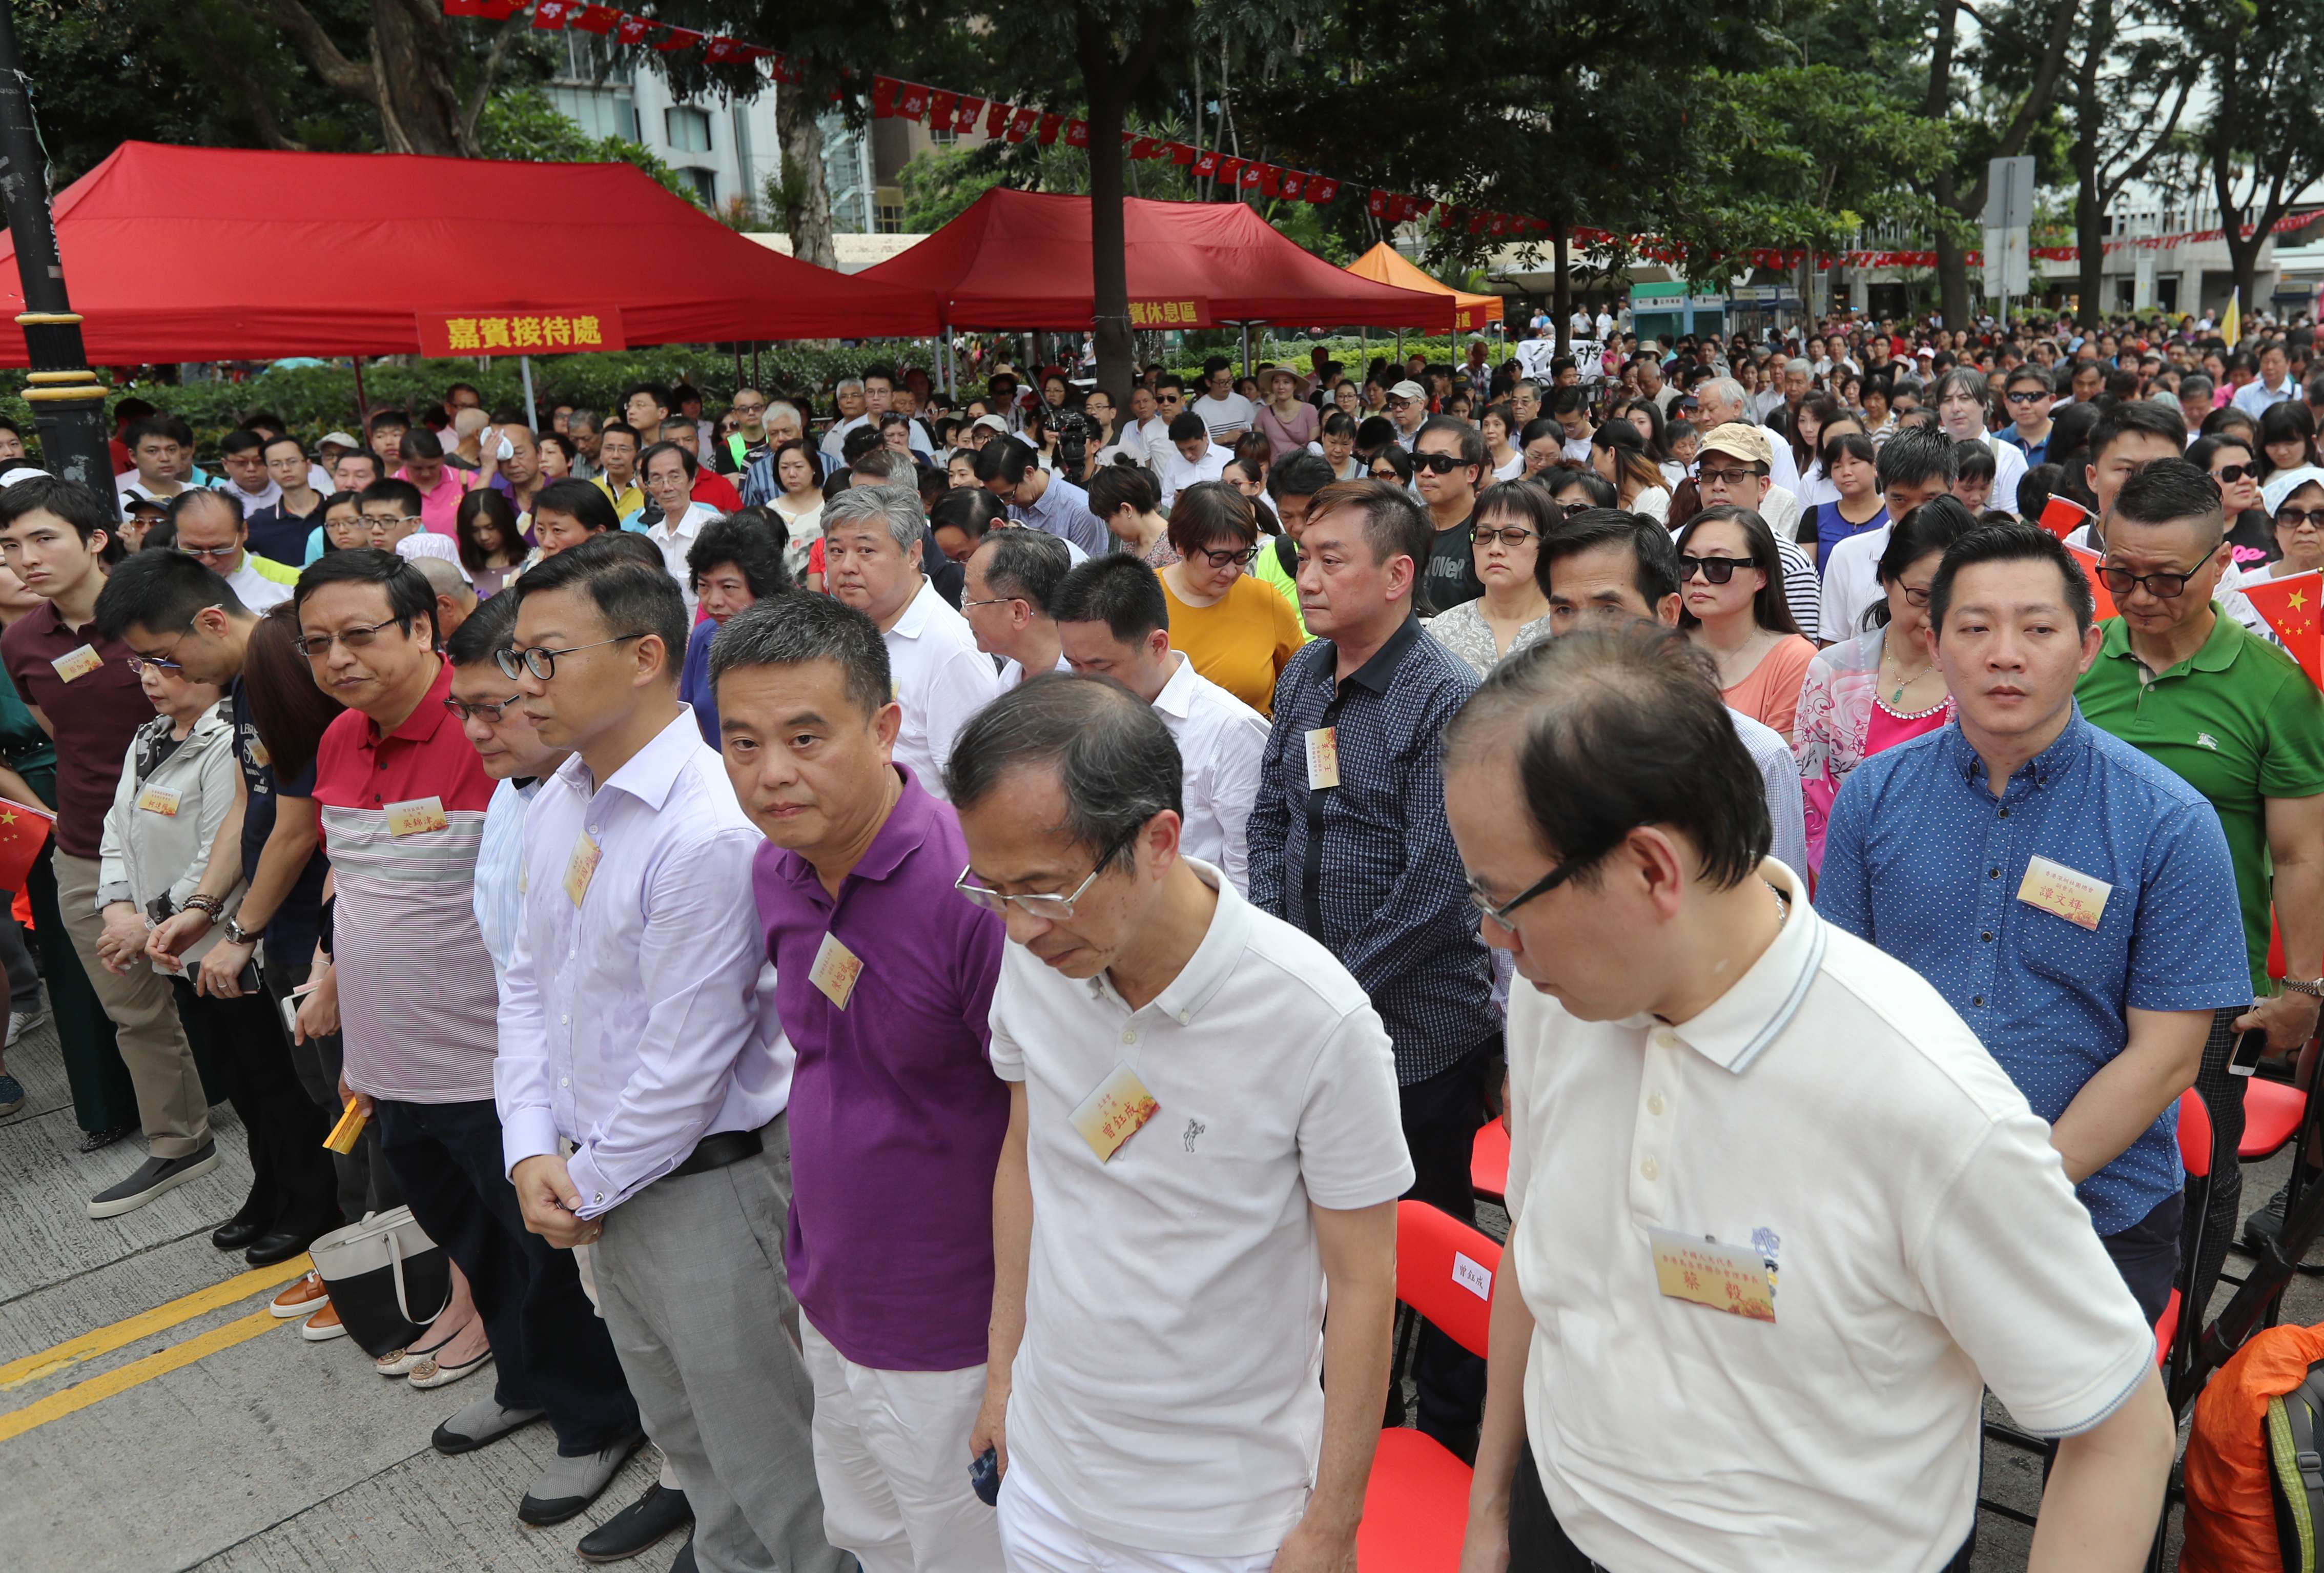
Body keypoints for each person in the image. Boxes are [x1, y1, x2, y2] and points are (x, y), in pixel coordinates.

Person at [1445, 624, 2175, 1573]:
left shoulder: (1922, 1099)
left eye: (1507, 902)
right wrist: (1492, 1507)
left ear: (1653, 868)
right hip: (1567, 1518)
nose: (1495, 940)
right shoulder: (1569, 999)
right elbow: (1537, 1264)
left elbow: (2121, 1426)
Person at [948, 676, 1410, 1573]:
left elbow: (1363, 1281)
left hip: (1223, 1517)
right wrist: (1003, 1374)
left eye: (1045, 887)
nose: (1018, 924)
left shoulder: (1316, 1017)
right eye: (992, 889)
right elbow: (1025, 1155)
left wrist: (1331, 1521)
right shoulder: (1036, 956)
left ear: (1159, 840)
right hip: (1048, 1477)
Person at [489, 541, 835, 1573]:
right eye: (519, 657)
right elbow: (524, 979)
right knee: (682, 1432)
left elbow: (686, 1066)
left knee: (769, 1451)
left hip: (700, 1189)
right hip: (597, 1178)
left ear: (645, 655)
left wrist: (575, 1181)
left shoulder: (705, 826)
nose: (522, 685)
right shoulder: (564, 794)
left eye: (545, 657)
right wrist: (528, 1149)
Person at [1820, 519, 2250, 1327]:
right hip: (1895, 1193)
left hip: (2091, 1207)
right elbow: (1838, 1002)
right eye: (1974, 628)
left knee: (2095, 1438)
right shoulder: (1872, 796)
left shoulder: (2166, 822)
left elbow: (2164, 1059)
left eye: (2037, 629)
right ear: (1933, 641)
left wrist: (2008, 1188)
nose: (2004, 654)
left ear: (2086, 648)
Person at [297, 548, 644, 1523]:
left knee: (537, 1253)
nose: (339, 657)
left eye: (361, 633)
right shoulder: (337, 741)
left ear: (423, 629)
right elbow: (354, 885)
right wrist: (330, 977)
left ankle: (596, 1415)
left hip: (489, 1067)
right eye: (318, 641)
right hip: (389, 1057)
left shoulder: (511, 742)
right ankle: (528, 1380)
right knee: (471, 1240)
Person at [707, 595, 1007, 1573]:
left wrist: (1012, 1354)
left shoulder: (976, 894)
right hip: (835, 1291)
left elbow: (1053, 1128)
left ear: (884, 728)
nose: (771, 772)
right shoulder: (779, 868)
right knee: (871, 1537)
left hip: (953, 1325)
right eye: (742, 742)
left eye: (805, 736)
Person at [1245, 478, 1494, 1453]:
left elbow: (1441, 881)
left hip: (1418, 1027)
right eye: (1302, 556)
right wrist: (1276, 952)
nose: (1305, 575)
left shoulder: (1444, 696)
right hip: (1306, 1005)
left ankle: (1452, 1433)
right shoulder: (1305, 674)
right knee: (1326, 1235)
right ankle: (1343, 1420)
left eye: (1329, 558)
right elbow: (1273, 816)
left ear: (1399, 575)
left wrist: (1332, 989)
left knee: (1424, 1237)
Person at [2072, 461, 2324, 1251]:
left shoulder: (2273, 689)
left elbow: (2299, 852)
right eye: (2121, 575)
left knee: (2197, 1168)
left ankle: (2181, 1368)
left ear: (2220, 563)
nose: (2140, 599)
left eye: (2164, 580)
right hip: (2070, 961)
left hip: (2207, 984)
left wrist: (2302, 991)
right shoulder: (2073, 660)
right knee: (2069, 1159)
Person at [93, 554, 341, 1264]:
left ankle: (332, 1221)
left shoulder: (283, 667)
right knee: (275, 1079)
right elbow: (248, 802)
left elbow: (295, 823)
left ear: (210, 621)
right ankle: (290, 1199)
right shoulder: (241, 683)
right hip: (267, 914)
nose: (154, 674)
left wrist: (239, 928)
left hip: (306, 913)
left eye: (163, 656)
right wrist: (204, 907)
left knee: (318, 1087)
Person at [0, 477, 216, 1185]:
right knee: (133, 1010)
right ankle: (178, 1141)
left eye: (42, 538)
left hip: (197, 838)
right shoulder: (22, 640)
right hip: (89, 845)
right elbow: (59, 729)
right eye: (9, 546)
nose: (26, 558)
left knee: (231, 991)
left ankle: (282, 1132)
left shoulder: (156, 609)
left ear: (95, 539)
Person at [1535, 505, 1812, 884]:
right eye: (1564, 609)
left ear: (1667, 612)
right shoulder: (1527, 746)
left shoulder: (1755, 758)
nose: (1582, 631)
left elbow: (1782, 912)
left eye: (1608, 609)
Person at [1052, 555, 1268, 894]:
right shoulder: (1080, 714)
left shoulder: (1231, 732)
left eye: (1099, 666)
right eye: (1073, 664)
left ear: (1157, 645)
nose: (1085, 682)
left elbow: (1251, 879)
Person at [1795, 498, 1980, 873]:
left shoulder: (1979, 679)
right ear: (1885, 578)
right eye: (1920, 596)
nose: (1935, 615)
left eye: (1955, 601)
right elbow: (1809, 792)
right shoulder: (1832, 671)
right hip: (1838, 875)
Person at [821, 485, 997, 802]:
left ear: (913, 554)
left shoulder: (951, 648)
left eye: (865, 551)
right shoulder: (838, 628)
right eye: (836, 551)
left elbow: (976, 789)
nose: (846, 566)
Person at [1157, 484, 1304, 718]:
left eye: (1242, 556)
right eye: (1219, 558)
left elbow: (1303, 689)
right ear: (1181, 546)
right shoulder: (1143, 598)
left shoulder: (1266, 601)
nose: (1231, 571)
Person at [1676, 506, 1816, 742]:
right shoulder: (1663, 644)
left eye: (1718, 566)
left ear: (1760, 576)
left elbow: (1776, 768)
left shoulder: (1794, 659)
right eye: (1688, 564)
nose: (1698, 579)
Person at [1819, 425, 1960, 639]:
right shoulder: (1847, 556)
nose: (1916, 512)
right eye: (1900, 500)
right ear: (1882, 491)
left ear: (1953, 487)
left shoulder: (1977, 559)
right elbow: (1833, 645)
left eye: (1930, 500)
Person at [1689, 424, 1821, 639]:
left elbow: (1802, 656)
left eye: (1733, 475)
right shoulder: (1680, 550)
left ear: (1763, 486)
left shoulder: (1789, 564)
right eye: (1708, 474)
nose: (1718, 485)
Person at [678, 512, 791, 748]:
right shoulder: (702, 637)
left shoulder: (793, 641)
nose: (714, 601)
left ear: (760, 584)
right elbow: (688, 714)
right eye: (703, 586)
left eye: (729, 587)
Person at [1422, 479, 1556, 677]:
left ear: (1546, 543)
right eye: (1484, 535)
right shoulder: (1443, 629)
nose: (1494, 549)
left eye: (1512, 536)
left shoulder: (1565, 627)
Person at [963, 526, 1072, 688]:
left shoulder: (1079, 690)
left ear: (1018, 613)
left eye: (971, 601)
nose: (964, 613)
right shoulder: (1014, 674)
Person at [623, 441, 720, 617]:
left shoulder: (716, 528)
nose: (667, 487)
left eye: (675, 477)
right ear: (648, 486)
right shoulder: (652, 537)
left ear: (691, 480)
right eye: (657, 479)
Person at [975, 438, 1110, 558]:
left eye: (1009, 495)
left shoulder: (1081, 511)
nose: (1006, 503)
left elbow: (1091, 577)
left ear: (1029, 473)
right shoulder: (1006, 501)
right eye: (999, 497)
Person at [1410, 416, 1488, 614]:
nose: (1426, 472)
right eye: (1419, 461)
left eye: (1441, 463)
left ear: (1471, 473)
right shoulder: (1404, 525)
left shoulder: (1490, 533)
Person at [168, 489, 295, 611]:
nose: (207, 561)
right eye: (193, 550)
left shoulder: (290, 584)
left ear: (244, 531)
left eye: (220, 549)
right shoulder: (161, 585)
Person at [1811, 430, 1888, 571]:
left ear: (1875, 467)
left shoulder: (1893, 514)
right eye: (1837, 466)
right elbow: (1807, 573)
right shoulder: (1815, 516)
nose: (1846, 472)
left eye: (1854, 463)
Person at [248, 434, 324, 565]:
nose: (286, 469)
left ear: (309, 465)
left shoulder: (337, 509)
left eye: (292, 461)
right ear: (268, 472)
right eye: (276, 464)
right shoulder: (260, 522)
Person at [1086, 463, 1175, 568]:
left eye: (1108, 520)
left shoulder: (1173, 547)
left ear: (1127, 509)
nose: (1110, 528)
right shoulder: (1129, 544)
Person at [454, 489, 524, 600]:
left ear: (506, 523)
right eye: (475, 530)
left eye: (491, 528)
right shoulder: (460, 568)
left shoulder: (531, 561)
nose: (484, 537)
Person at [1156, 413, 1231, 509]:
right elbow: (1165, 501)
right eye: (1181, 450)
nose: (1188, 455)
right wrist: (1176, 500)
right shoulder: (1173, 462)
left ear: (1205, 436)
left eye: (1192, 448)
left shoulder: (1227, 459)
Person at [1253, 365, 1320, 461]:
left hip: (1303, 469)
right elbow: (1259, 450)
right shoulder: (1262, 414)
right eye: (1276, 382)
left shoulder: (1309, 410)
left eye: (1286, 382)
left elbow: (1314, 447)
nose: (1281, 387)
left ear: (1295, 385)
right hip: (1274, 472)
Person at [1999, 362, 2058, 466]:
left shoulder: (2070, 441)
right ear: (2006, 401)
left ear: (2051, 399)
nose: (2025, 405)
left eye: (2034, 397)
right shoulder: (1993, 445)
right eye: (2016, 397)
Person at [1191, 356, 1258, 443]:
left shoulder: (1243, 402)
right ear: (1208, 383)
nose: (1227, 385)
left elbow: (1255, 432)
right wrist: (1224, 439)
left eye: (1230, 380)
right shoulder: (1199, 409)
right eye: (1222, 382)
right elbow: (1198, 445)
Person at [590, 422, 645, 522]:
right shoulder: (590, 488)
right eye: (609, 448)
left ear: (638, 453)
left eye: (624, 449)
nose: (615, 456)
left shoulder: (648, 489)